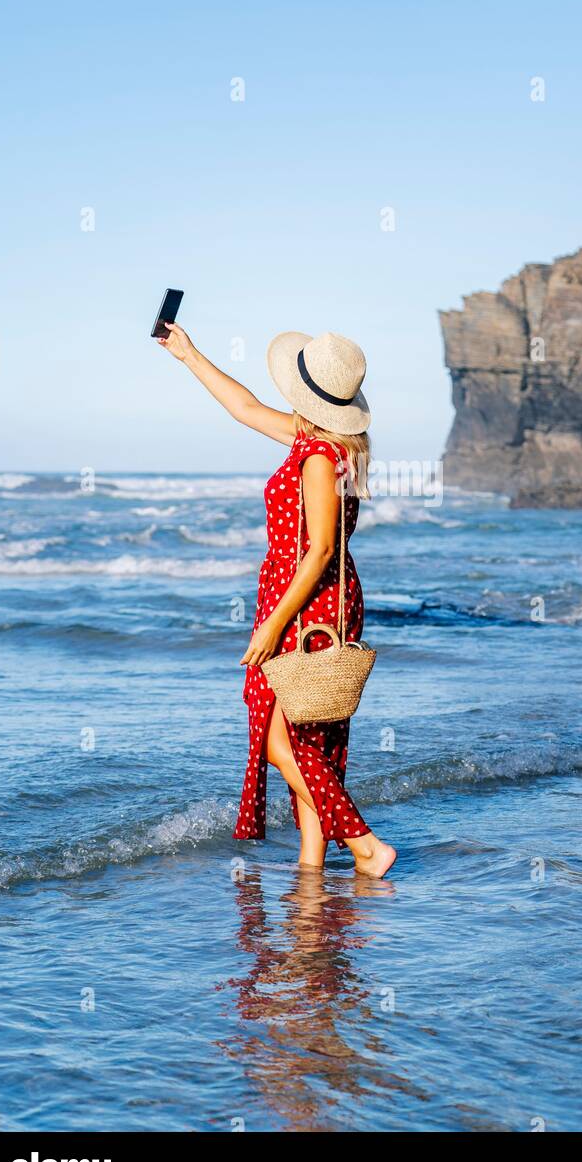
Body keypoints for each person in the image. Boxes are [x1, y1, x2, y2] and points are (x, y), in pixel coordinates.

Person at [158, 323, 396, 878]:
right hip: (313, 595)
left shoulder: (317, 458)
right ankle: (311, 864)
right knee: (306, 734)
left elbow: (316, 553)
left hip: (305, 599)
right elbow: (242, 406)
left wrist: (270, 627)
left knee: (279, 740)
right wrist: (188, 353)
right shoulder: (319, 444)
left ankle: (364, 843)